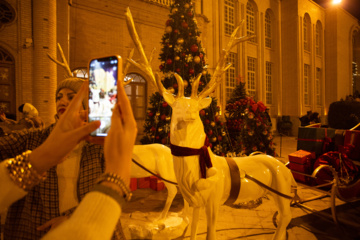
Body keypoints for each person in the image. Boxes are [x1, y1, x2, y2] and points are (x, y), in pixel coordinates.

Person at [0, 80, 137, 239]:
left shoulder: (99, 143)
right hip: (35, 229)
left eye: (71, 97)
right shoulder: (35, 138)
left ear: (88, 104)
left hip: (92, 224)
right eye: (59, 97)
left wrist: (71, 217)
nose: (62, 101)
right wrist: (117, 177)